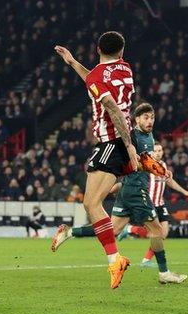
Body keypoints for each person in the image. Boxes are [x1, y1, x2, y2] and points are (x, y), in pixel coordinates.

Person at [53, 103, 187, 284]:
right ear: (137, 119)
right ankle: (164, 273)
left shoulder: (149, 137)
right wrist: (160, 171)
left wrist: (160, 171)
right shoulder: (133, 137)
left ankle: (69, 232)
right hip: (136, 189)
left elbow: (144, 162)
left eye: (152, 117)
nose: (150, 121)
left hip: (126, 189)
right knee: (158, 231)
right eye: (146, 117)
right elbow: (139, 162)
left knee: (112, 230)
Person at [51, 32, 140, 289]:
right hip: (118, 142)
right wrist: (72, 62)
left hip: (113, 142)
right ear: (122, 52)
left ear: (98, 47)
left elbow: (111, 107)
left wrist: (129, 146)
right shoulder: (124, 68)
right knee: (92, 204)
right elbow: (96, 79)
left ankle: (115, 260)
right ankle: (114, 260)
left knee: (91, 205)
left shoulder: (97, 77)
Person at [135, 143, 188, 268]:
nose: (158, 153)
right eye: (155, 151)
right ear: (151, 153)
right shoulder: (146, 165)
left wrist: (184, 192)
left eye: (160, 150)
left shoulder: (163, 165)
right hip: (149, 203)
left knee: (164, 234)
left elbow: (169, 181)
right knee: (154, 233)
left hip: (160, 203)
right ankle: (130, 230)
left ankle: (146, 260)